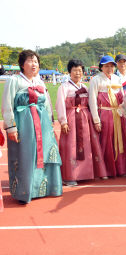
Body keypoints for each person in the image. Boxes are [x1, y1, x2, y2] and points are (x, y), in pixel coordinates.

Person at [1, 50, 62, 204]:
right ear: (22, 64)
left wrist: (50, 123)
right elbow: (7, 104)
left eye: (36, 61)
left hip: (42, 124)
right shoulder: (14, 80)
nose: (34, 64)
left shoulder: (40, 82)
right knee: (25, 156)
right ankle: (24, 191)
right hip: (24, 124)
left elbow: (47, 104)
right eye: (30, 61)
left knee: (43, 155)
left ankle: (42, 189)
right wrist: (11, 127)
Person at [56, 59, 108, 186]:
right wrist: (63, 121)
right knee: (71, 146)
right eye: (74, 70)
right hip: (71, 118)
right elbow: (60, 104)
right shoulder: (64, 87)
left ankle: (85, 174)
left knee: (87, 146)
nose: (77, 73)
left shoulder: (85, 87)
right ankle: (70, 176)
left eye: (80, 70)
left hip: (85, 119)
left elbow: (91, 103)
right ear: (69, 72)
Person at [88, 55, 126, 178]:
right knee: (106, 142)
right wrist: (96, 120)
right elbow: (92, 101)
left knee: (119, 140)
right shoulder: (96, 80)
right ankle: (104, 171)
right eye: (106, 66)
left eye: (111, 66)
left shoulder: (117, 79)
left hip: (118, 114)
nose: (109, 68)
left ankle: (120, 169)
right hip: (104, 114)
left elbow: (122, 97)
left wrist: (124, 112)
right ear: (101, 67)